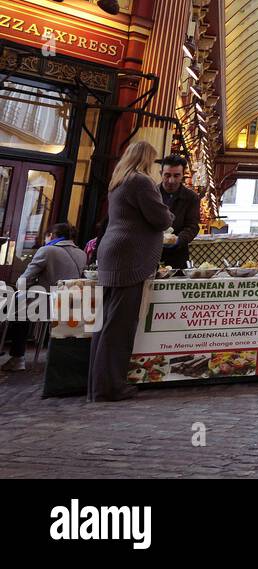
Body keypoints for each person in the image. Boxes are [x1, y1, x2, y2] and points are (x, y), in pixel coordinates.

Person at [88, 140, 173, 401]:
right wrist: (168, 215)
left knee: (105, 324)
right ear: (147, 159)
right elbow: (160, 218)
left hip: (113, 254)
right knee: (120, 326)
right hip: (130, 257)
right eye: (155, 161)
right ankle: (111, 387)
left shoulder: (119, 181)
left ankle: (98, 384)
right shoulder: (141, 182)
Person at [0, 223, 87, 372]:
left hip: (43, 303)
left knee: (11, 306)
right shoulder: (82, 254)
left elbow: (23, 280)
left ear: (51, 235)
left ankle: (18, 357)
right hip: (66, 305)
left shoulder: (47, 250)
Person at [157, 155, 201, 271]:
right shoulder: (151, 194)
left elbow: (192, 226)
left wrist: (178, 240)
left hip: (178, 256)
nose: (171, 180)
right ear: (160, 173)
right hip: (151, 254)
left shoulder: (191, 197)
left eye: (176, 176)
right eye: (167, 175)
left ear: (182, 175)